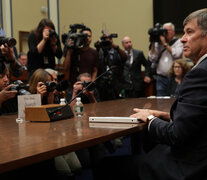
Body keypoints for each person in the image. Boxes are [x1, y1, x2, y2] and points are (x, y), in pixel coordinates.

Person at [94, 8, 207, 180]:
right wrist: (163, 115)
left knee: (104, 166)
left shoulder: (200, 73)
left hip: (187, 166)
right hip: (198, 156)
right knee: (151, 150)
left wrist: (149, 118)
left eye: (189, 32)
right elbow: (197, 118)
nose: (183, 39)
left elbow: (175, 135)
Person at [149, 22, 183, 96]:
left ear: (173, 32)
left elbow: (177, 54)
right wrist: (153, 43)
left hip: (175, 78)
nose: (166, 32)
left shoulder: (178, 42)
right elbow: (152, 58)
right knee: (161, 101)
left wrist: (165, 43)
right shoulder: (158, 43)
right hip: (161, 78)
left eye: (168, 30)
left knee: (173, 99)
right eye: (165, 30)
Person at [95, 33, 127, 101]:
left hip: (116, 84)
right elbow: (95, 63)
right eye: (105, 41)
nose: (107, 42)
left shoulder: (116, 51)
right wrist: (98, 48)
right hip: (102, 85)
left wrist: (116, 47)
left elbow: (125, 58)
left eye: (109, 40)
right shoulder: (99, 51)